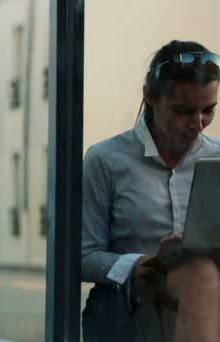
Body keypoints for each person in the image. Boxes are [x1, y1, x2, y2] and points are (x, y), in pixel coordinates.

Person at [81, 40, 220, 342]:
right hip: (130, 298)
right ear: (149, 97)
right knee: (202, 273)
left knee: (202, 271)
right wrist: (145, 263)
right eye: (182, 111)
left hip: (208, 292)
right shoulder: (105, 159)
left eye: (208, 110)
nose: (198, 124)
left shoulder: (218, 156)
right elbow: (83, 257)